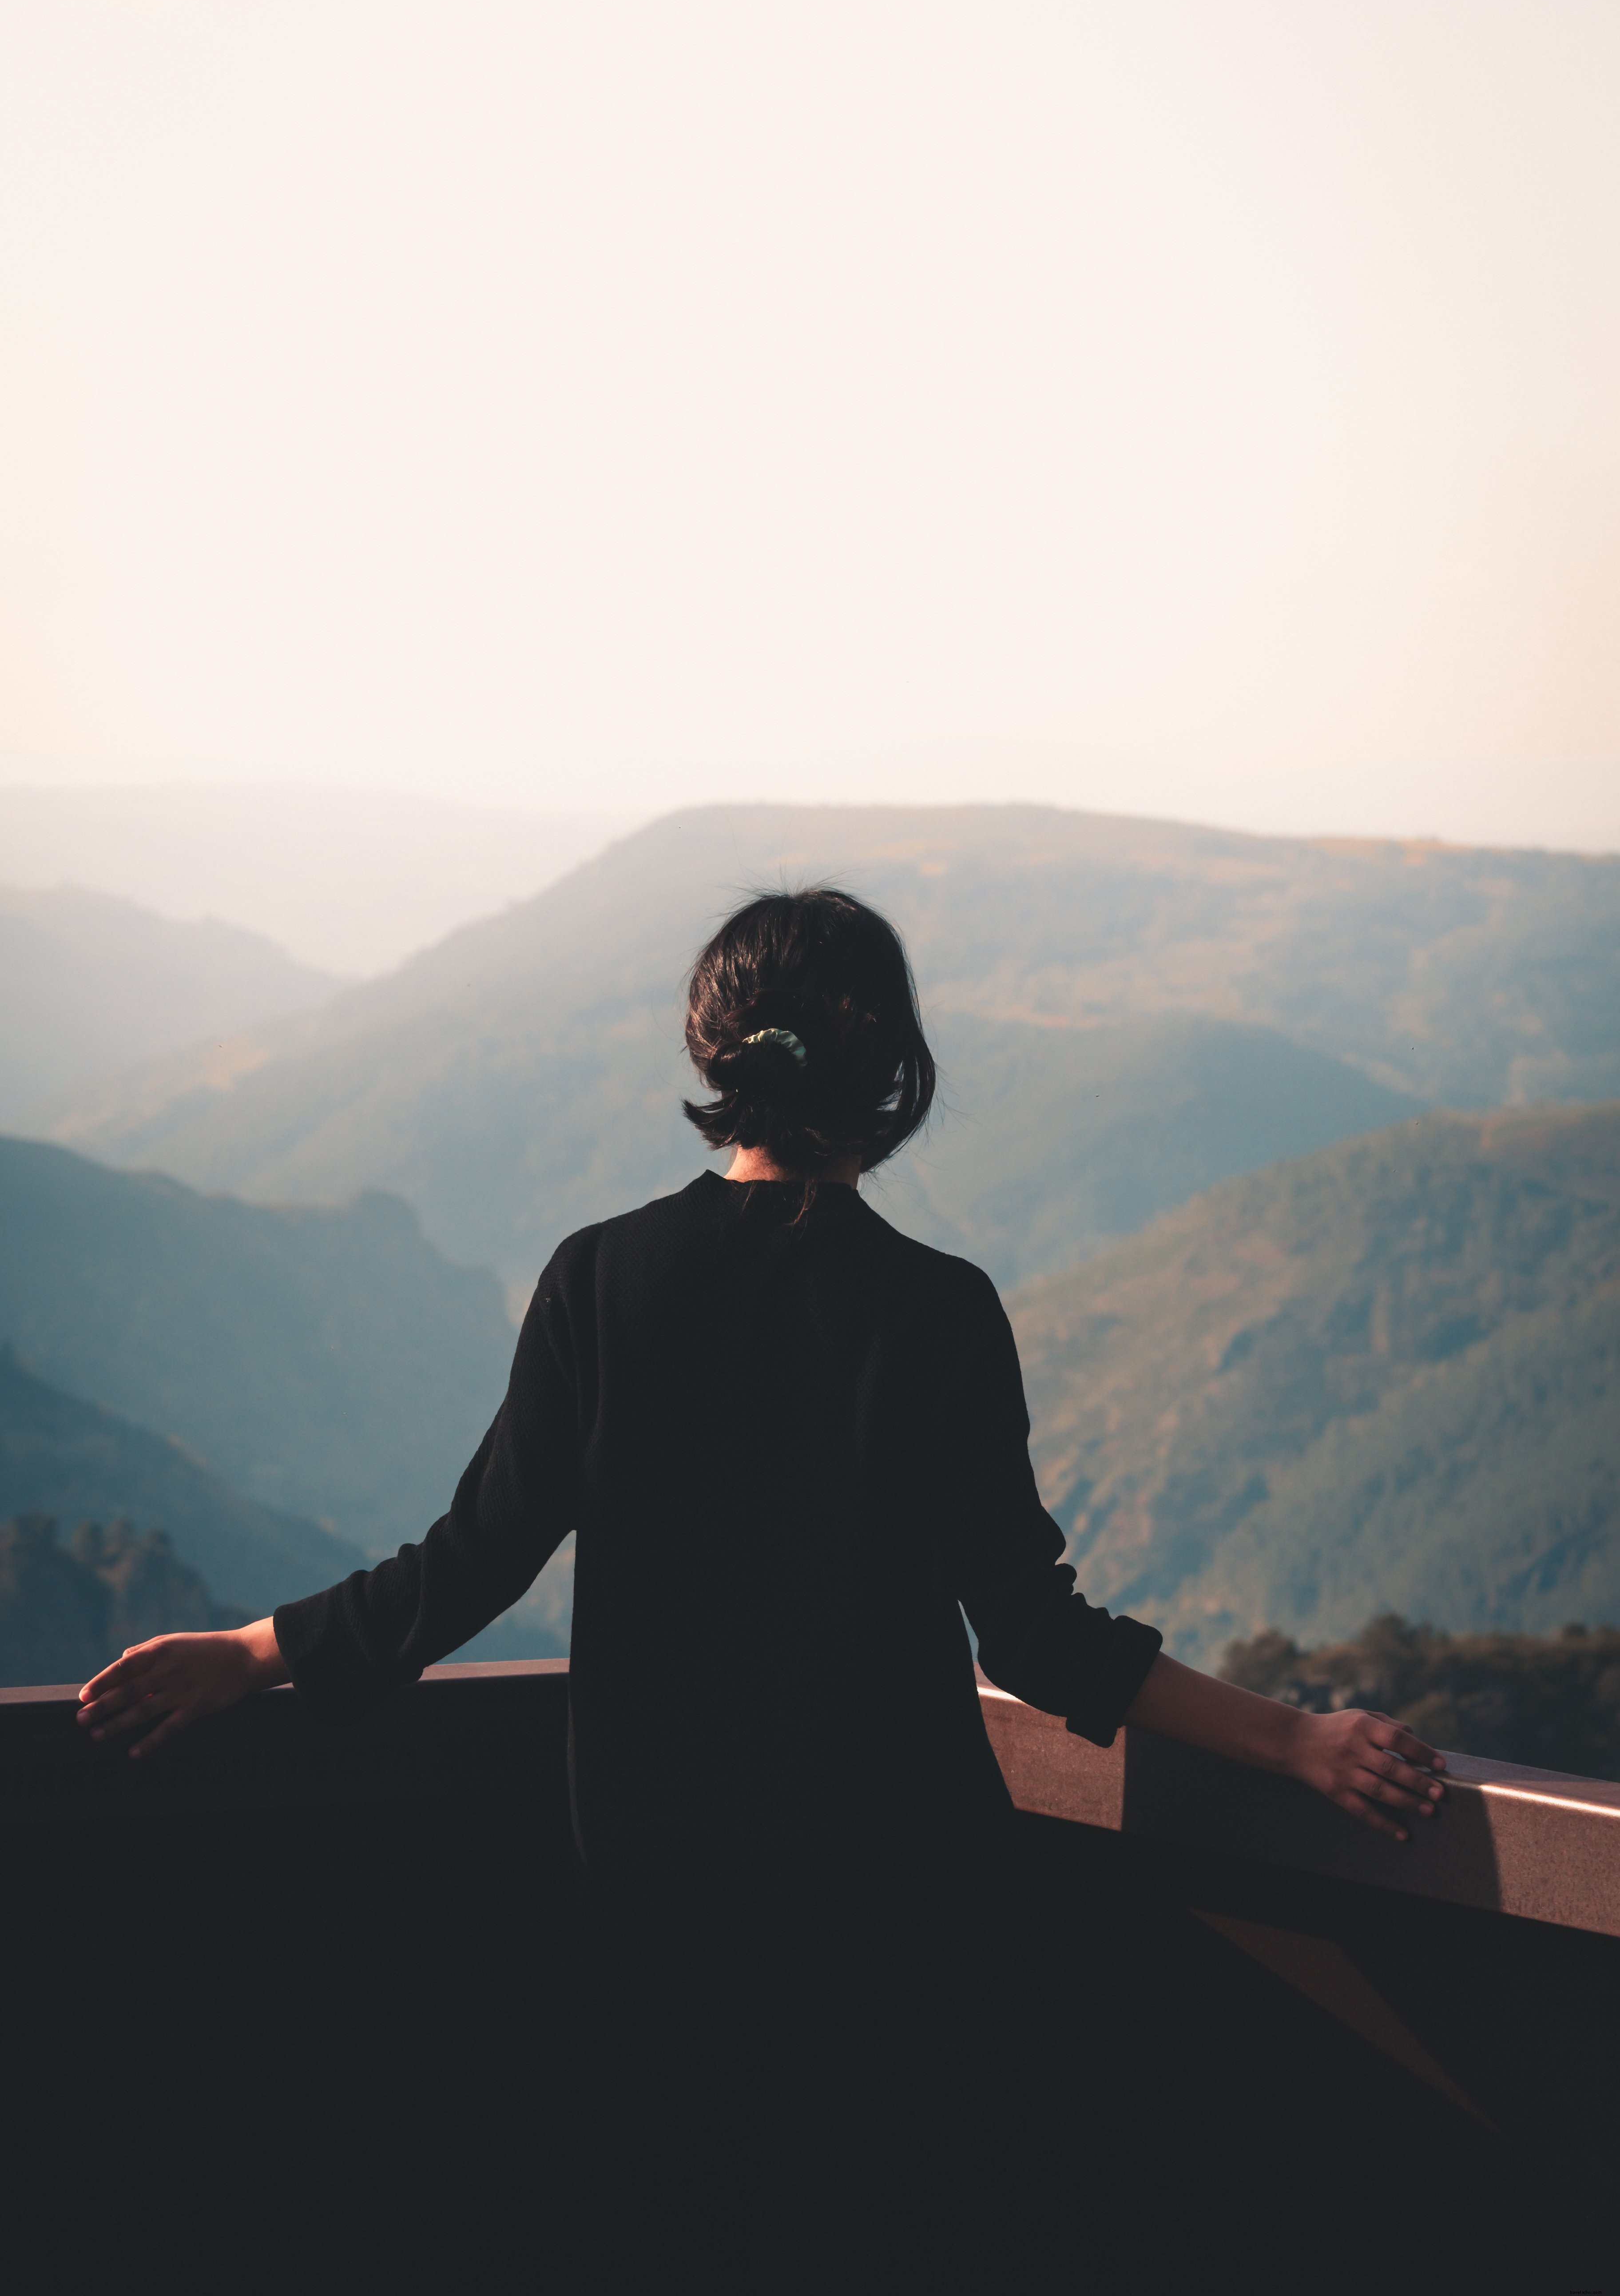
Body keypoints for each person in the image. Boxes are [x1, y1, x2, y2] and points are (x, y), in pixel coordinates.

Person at [76, 886, 1447, 2292]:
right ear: (894, 1070)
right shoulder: (938, 1311)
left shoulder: (597, 1284)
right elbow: (1037, 1636)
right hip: (890, 1925)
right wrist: (1298, 1740)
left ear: (714, 1053)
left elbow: (472, 1561)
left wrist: (253, 1654)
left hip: (660, 1921)